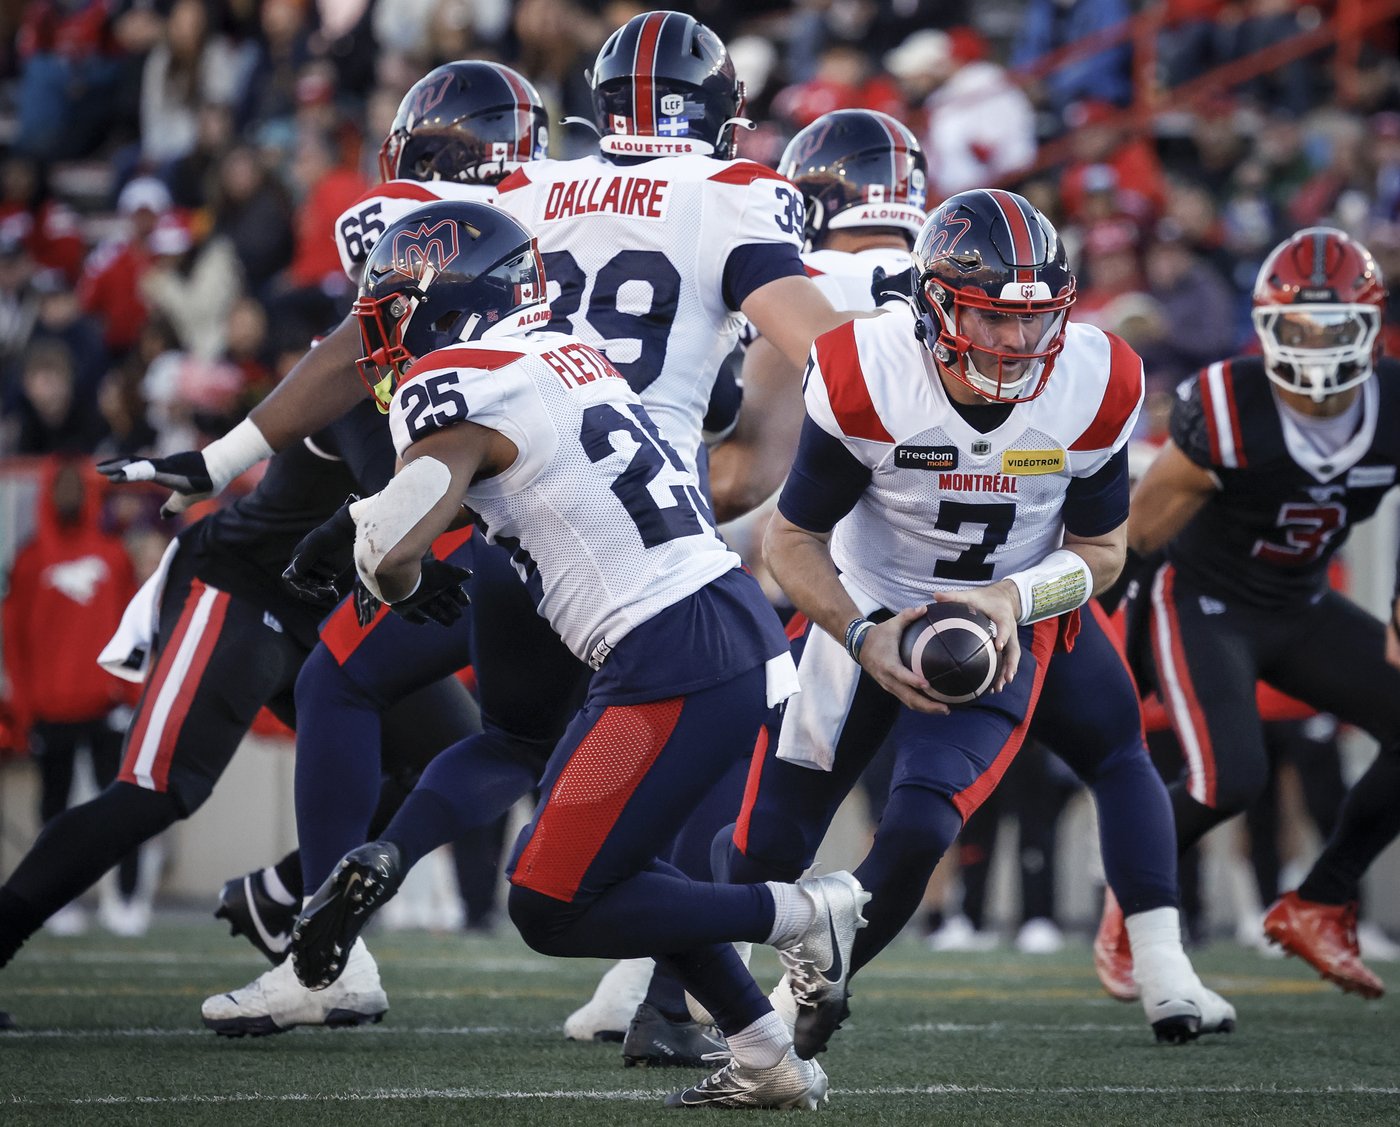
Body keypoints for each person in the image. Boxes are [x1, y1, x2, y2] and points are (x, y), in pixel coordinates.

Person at [199, 14, 854, 1043]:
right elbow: (830, 360)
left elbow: (373, 324)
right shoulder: (733, 196)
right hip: (650, 522)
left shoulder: (527, 186)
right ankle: (666, 994)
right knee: (664, 750)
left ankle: (335, 908)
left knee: (472, 718)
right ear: (722, 113)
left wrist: (228, 455)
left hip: (511, 504)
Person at [284, 199, 865, 1110]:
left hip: (672, 651)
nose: (383, 337)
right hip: (709, 630)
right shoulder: (562, 352)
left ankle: (803, 913)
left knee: (548, 902)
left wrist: (376, 561)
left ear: (443, 305)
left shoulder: (454, 377)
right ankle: (764, 1052)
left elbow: (396, 549)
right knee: (617, 867)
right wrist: (355, 524)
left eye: (392, 312)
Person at [721, 188, 1234, 1057]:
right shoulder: (866, 369)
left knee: (930, 821)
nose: (1018, 343)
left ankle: (792, 1000)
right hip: (867, 598)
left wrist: (1011, 601)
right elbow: (793, 537)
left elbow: (1104, 551)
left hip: (1002, 620)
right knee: (767, 838)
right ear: (932, 305)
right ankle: (682, 985)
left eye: (1036, 321)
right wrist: (860, 629)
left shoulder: (1096, 376)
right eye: (993, 320)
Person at [1106, 226, 1400, 1001]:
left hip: (1301, 601)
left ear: (1370, 328)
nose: (1314, 349)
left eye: (1332, 330)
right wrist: (1105, 635)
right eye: (1296, 329)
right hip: (1203, 600)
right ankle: (1128, 901)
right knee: (1228, 777)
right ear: (1265, 329)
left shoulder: (1393, 402)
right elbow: (1139, 532)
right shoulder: (1230, 403)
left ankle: (1320, 901)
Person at [2, 458, 142, 936]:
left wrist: (129, 693)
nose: (67, 495)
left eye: (73, 486)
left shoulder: (111, 554)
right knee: (54, 812)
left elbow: (133, 627)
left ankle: (124, 898)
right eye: (58, 486)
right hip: (50, 710)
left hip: (107, 706)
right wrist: (23, 709)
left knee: (120, 807)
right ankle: (53, 901)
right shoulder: (29, 559)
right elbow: (14, 640)